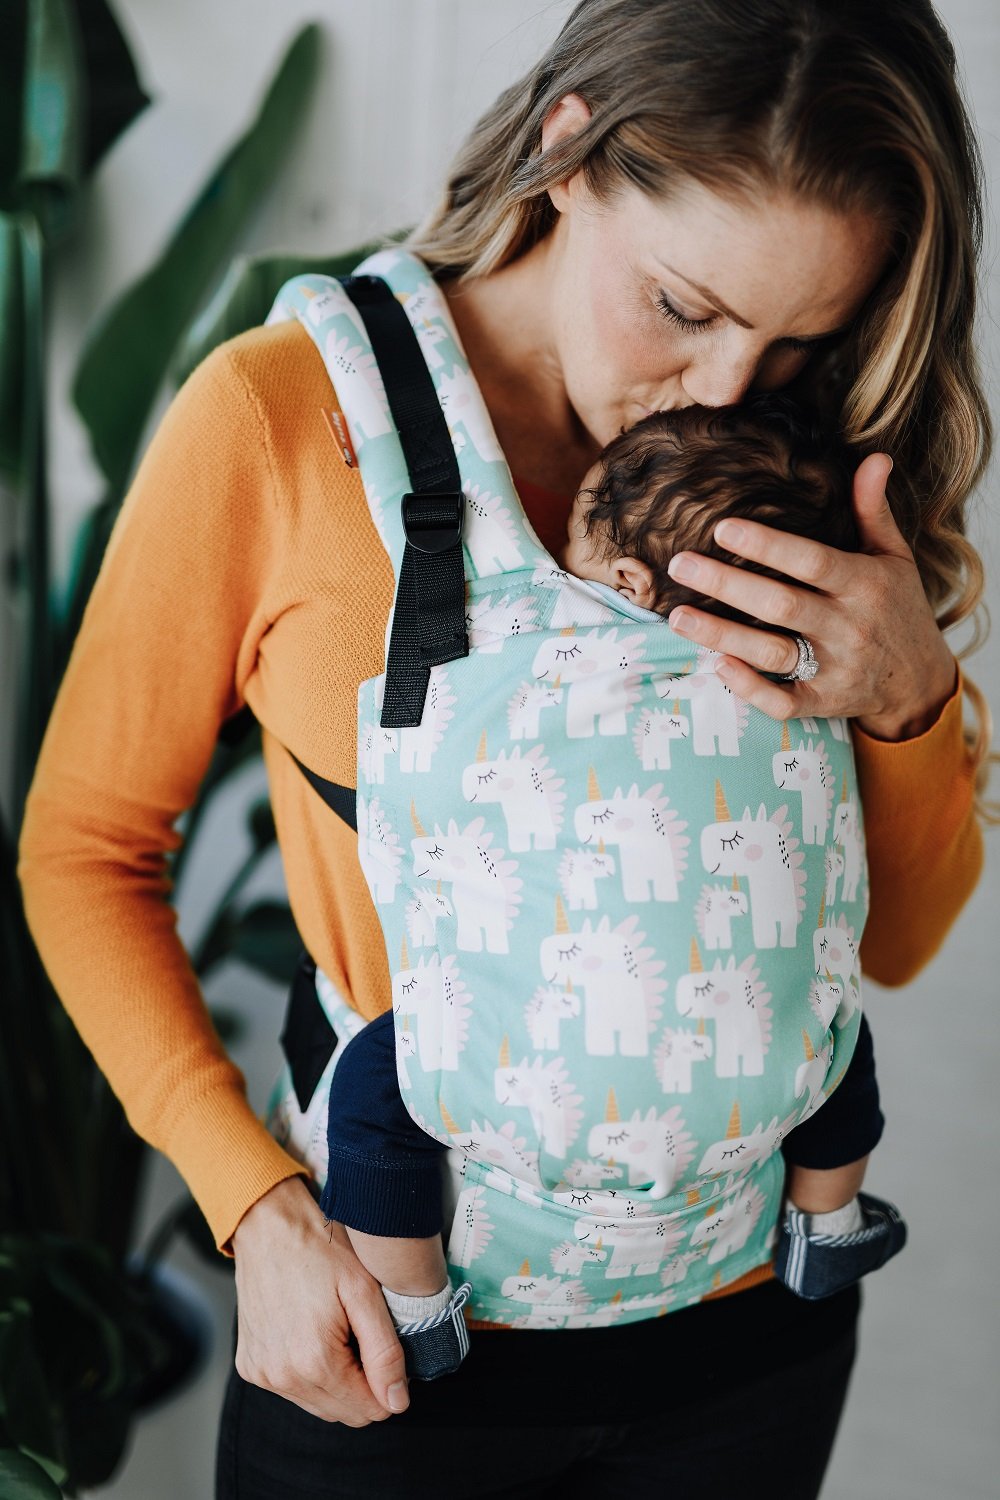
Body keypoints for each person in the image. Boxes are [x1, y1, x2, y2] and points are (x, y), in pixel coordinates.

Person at [16, 2, 991, 1496]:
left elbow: (894, 947)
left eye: (801, 339)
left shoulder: (793, 471)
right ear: (569, 151)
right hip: (388, 1347)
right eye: (683, 305)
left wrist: (910, 697)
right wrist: (254, 1207)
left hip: (752, 1355)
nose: (726, 391)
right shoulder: (287, 423)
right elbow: (84, 851)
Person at [318, 393, 905, 1383]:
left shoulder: (527, 652)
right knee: (840, 1038)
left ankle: (412, 1306)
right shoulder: (812, 679)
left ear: (626, 579)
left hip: (537, 1077)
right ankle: (826, 1221)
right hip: (768, 1064)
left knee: (382, 1086)